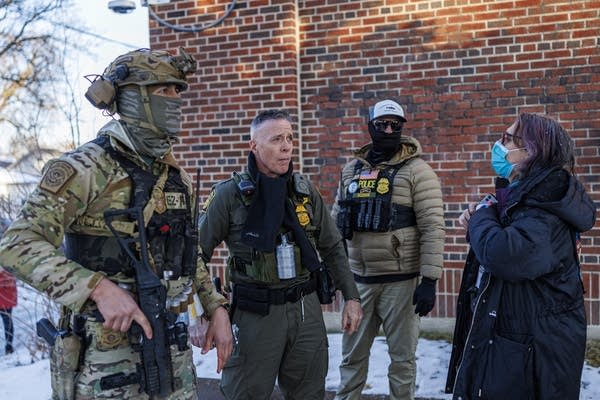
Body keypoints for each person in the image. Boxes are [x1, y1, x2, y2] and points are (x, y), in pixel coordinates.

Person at [0, 48, 232, 399]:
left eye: (177, 92)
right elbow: (17, 245)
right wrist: (97, 288)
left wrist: (215, 307)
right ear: (133, 99)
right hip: (106, 364)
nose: (175, 101)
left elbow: (188, 253)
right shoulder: (86, 168)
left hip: (171, 355)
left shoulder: (175, 177)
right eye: (163, 91)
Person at [198, 109, 363, 400]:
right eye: (276, 139)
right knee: (244, 394)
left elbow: (332, 245)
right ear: (254, 146)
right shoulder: (229, 195)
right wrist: (211, 310)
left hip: (305, 310)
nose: (287, 145)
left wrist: (351, 296)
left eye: (289, 137)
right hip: (254, 315)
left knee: (309, 393)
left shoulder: (303, 190)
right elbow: (195, 255)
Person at [445, 113, 597, 400]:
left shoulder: (544, 205)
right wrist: (487, 212)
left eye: (507, 139)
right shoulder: (524, 196)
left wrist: (482, 216)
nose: (499, 146)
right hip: (521, 341)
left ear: (531, 150)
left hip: (535, 351)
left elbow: (505, 255)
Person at [331, 99, 445, 400]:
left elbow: (433, 227)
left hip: (402, 284)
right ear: (371, 127)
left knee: (402, 361)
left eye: (396, 124)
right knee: (351, 359)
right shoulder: (351, 171)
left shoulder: (418, 171)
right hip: (359, 285)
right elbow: (335, 227)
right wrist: (333, 272)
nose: (389, 129)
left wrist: (430, 280)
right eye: (382, 124)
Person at [0, 267, 17, 355]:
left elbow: (9, 281)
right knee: (7, 322)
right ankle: (9, 346)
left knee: (7, 322)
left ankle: (9, 346)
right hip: (7, 298)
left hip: (6, 299)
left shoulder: (6, 268)